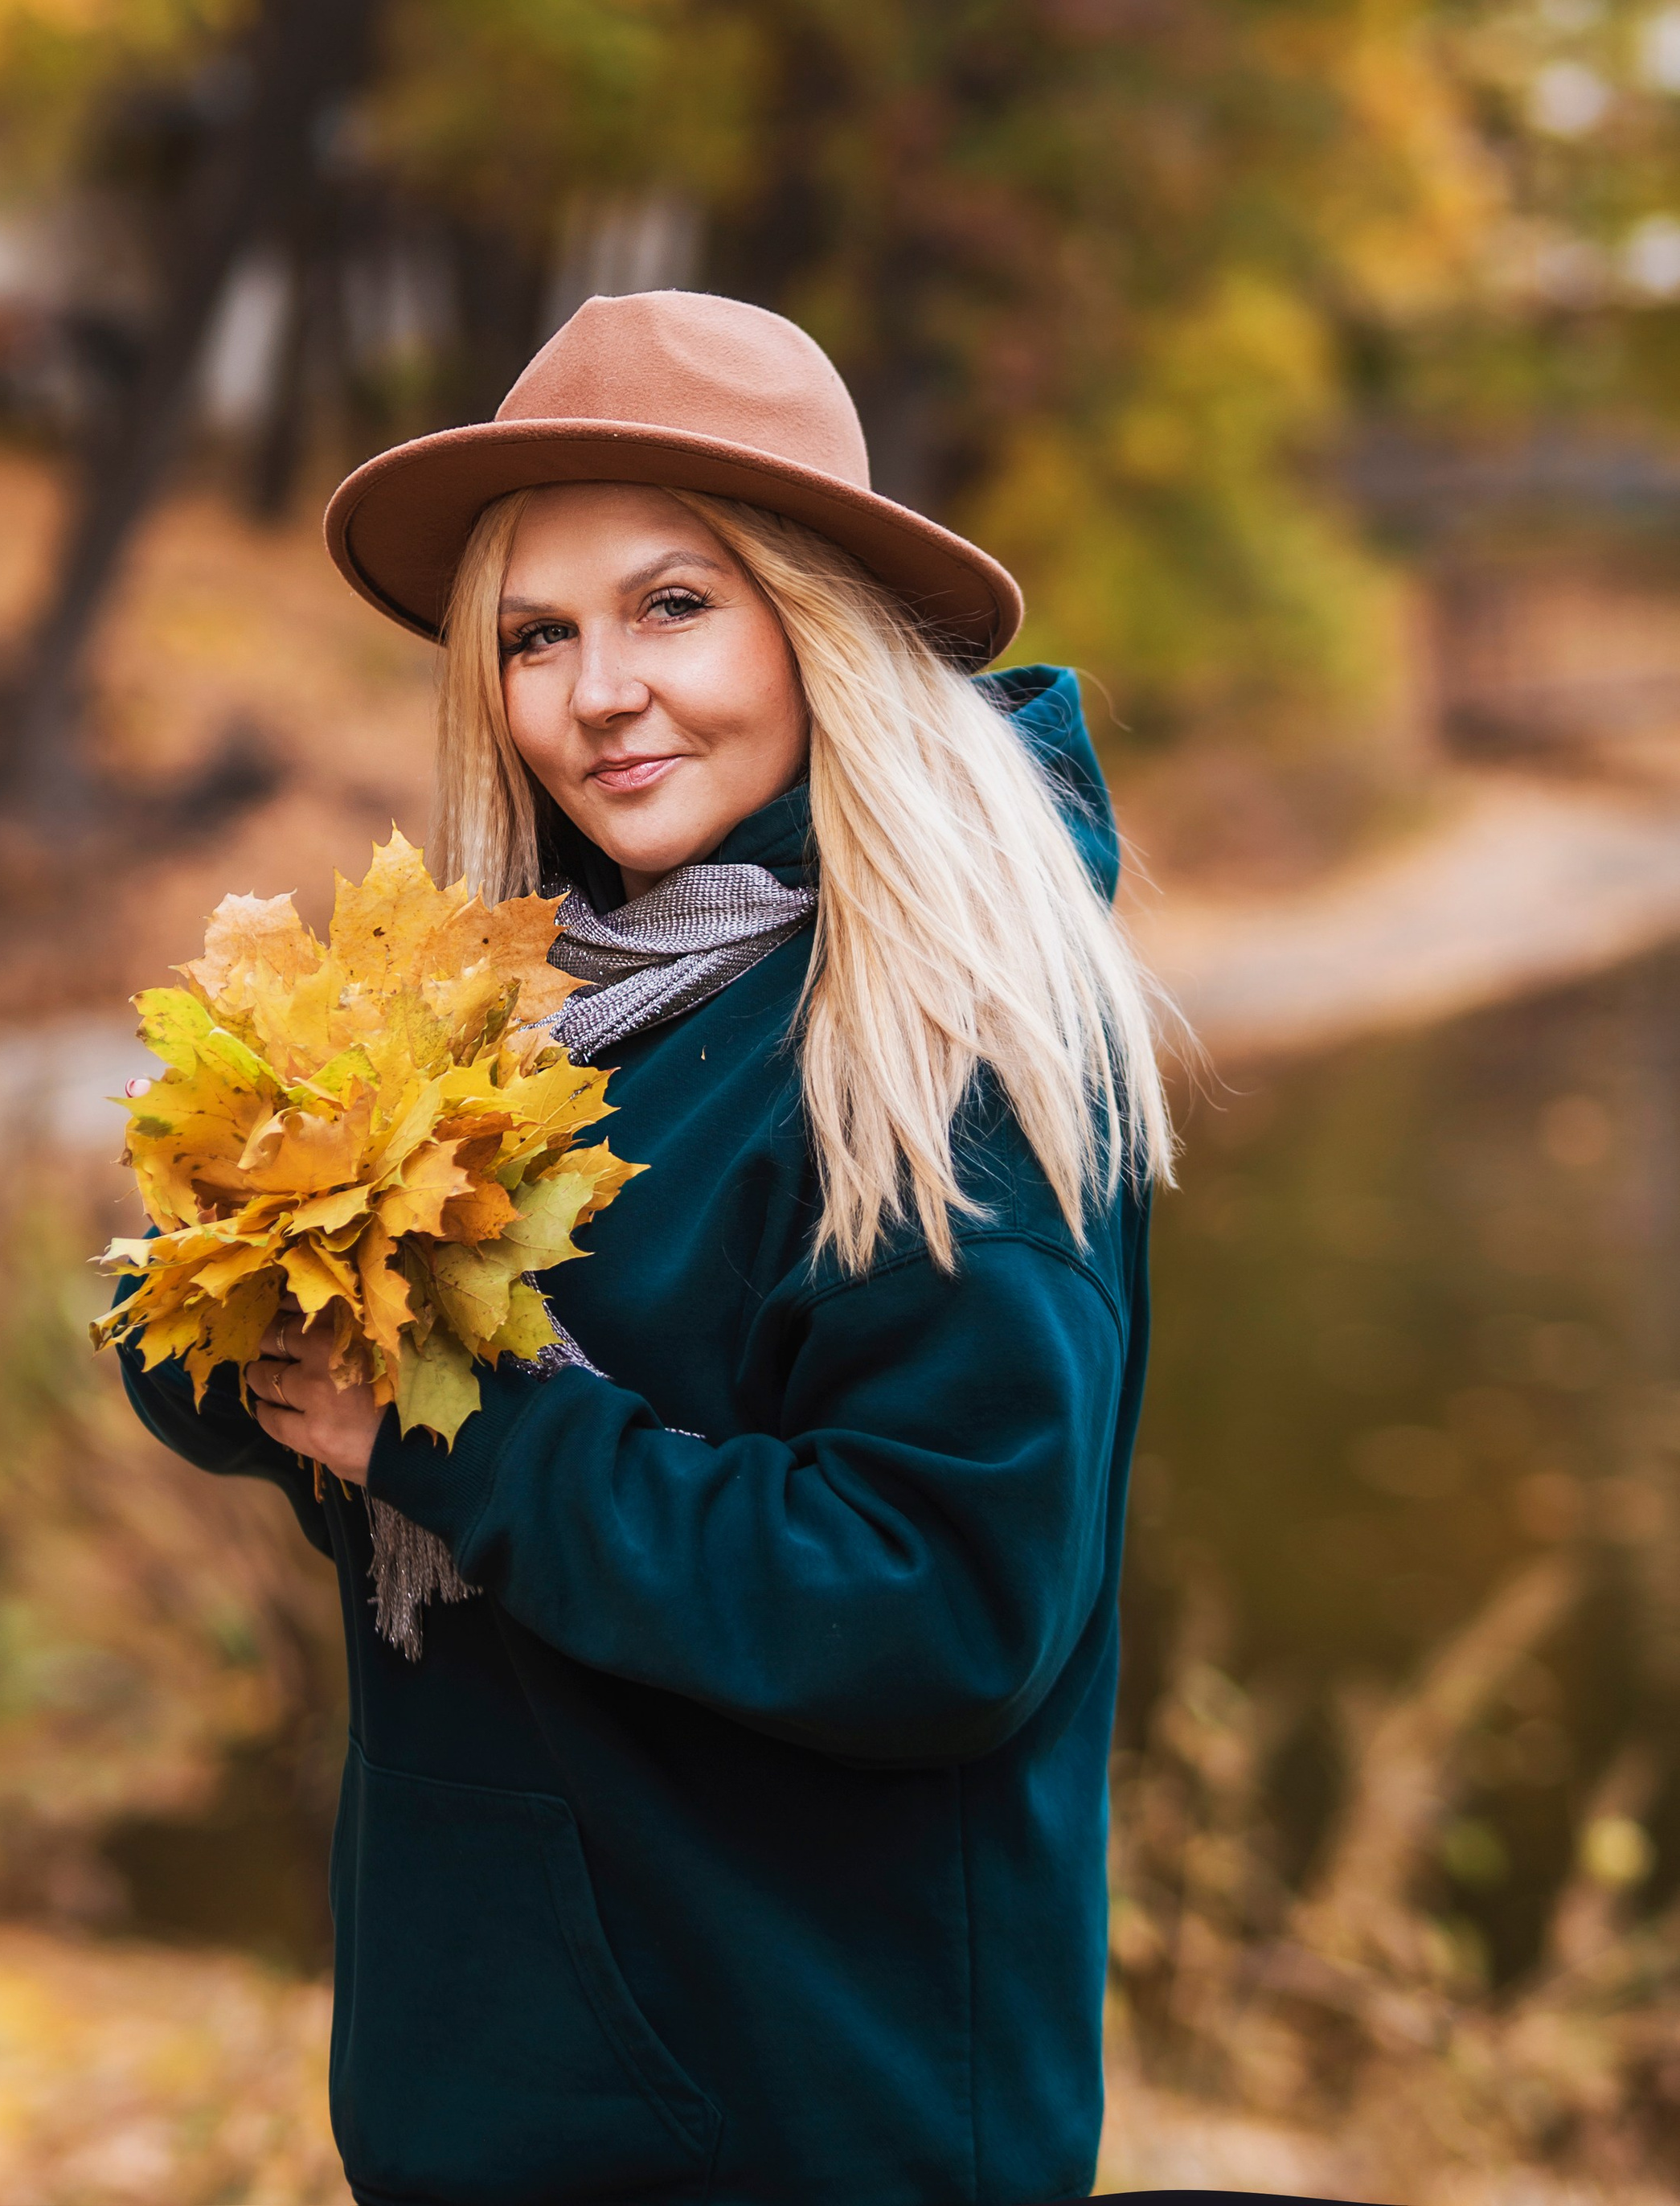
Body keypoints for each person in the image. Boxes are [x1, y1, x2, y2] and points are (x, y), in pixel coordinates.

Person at [121, 289, 1174, 2206]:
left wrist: (458, 1431)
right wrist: (240, 1267)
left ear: (819, 619)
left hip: (798, 2120)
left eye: (672, 605)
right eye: (536, 634)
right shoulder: (522, 1021)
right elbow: (293, 1418)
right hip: (496, 2102)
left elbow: (941, 1609)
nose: (597, 690)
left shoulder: (934, 1038)